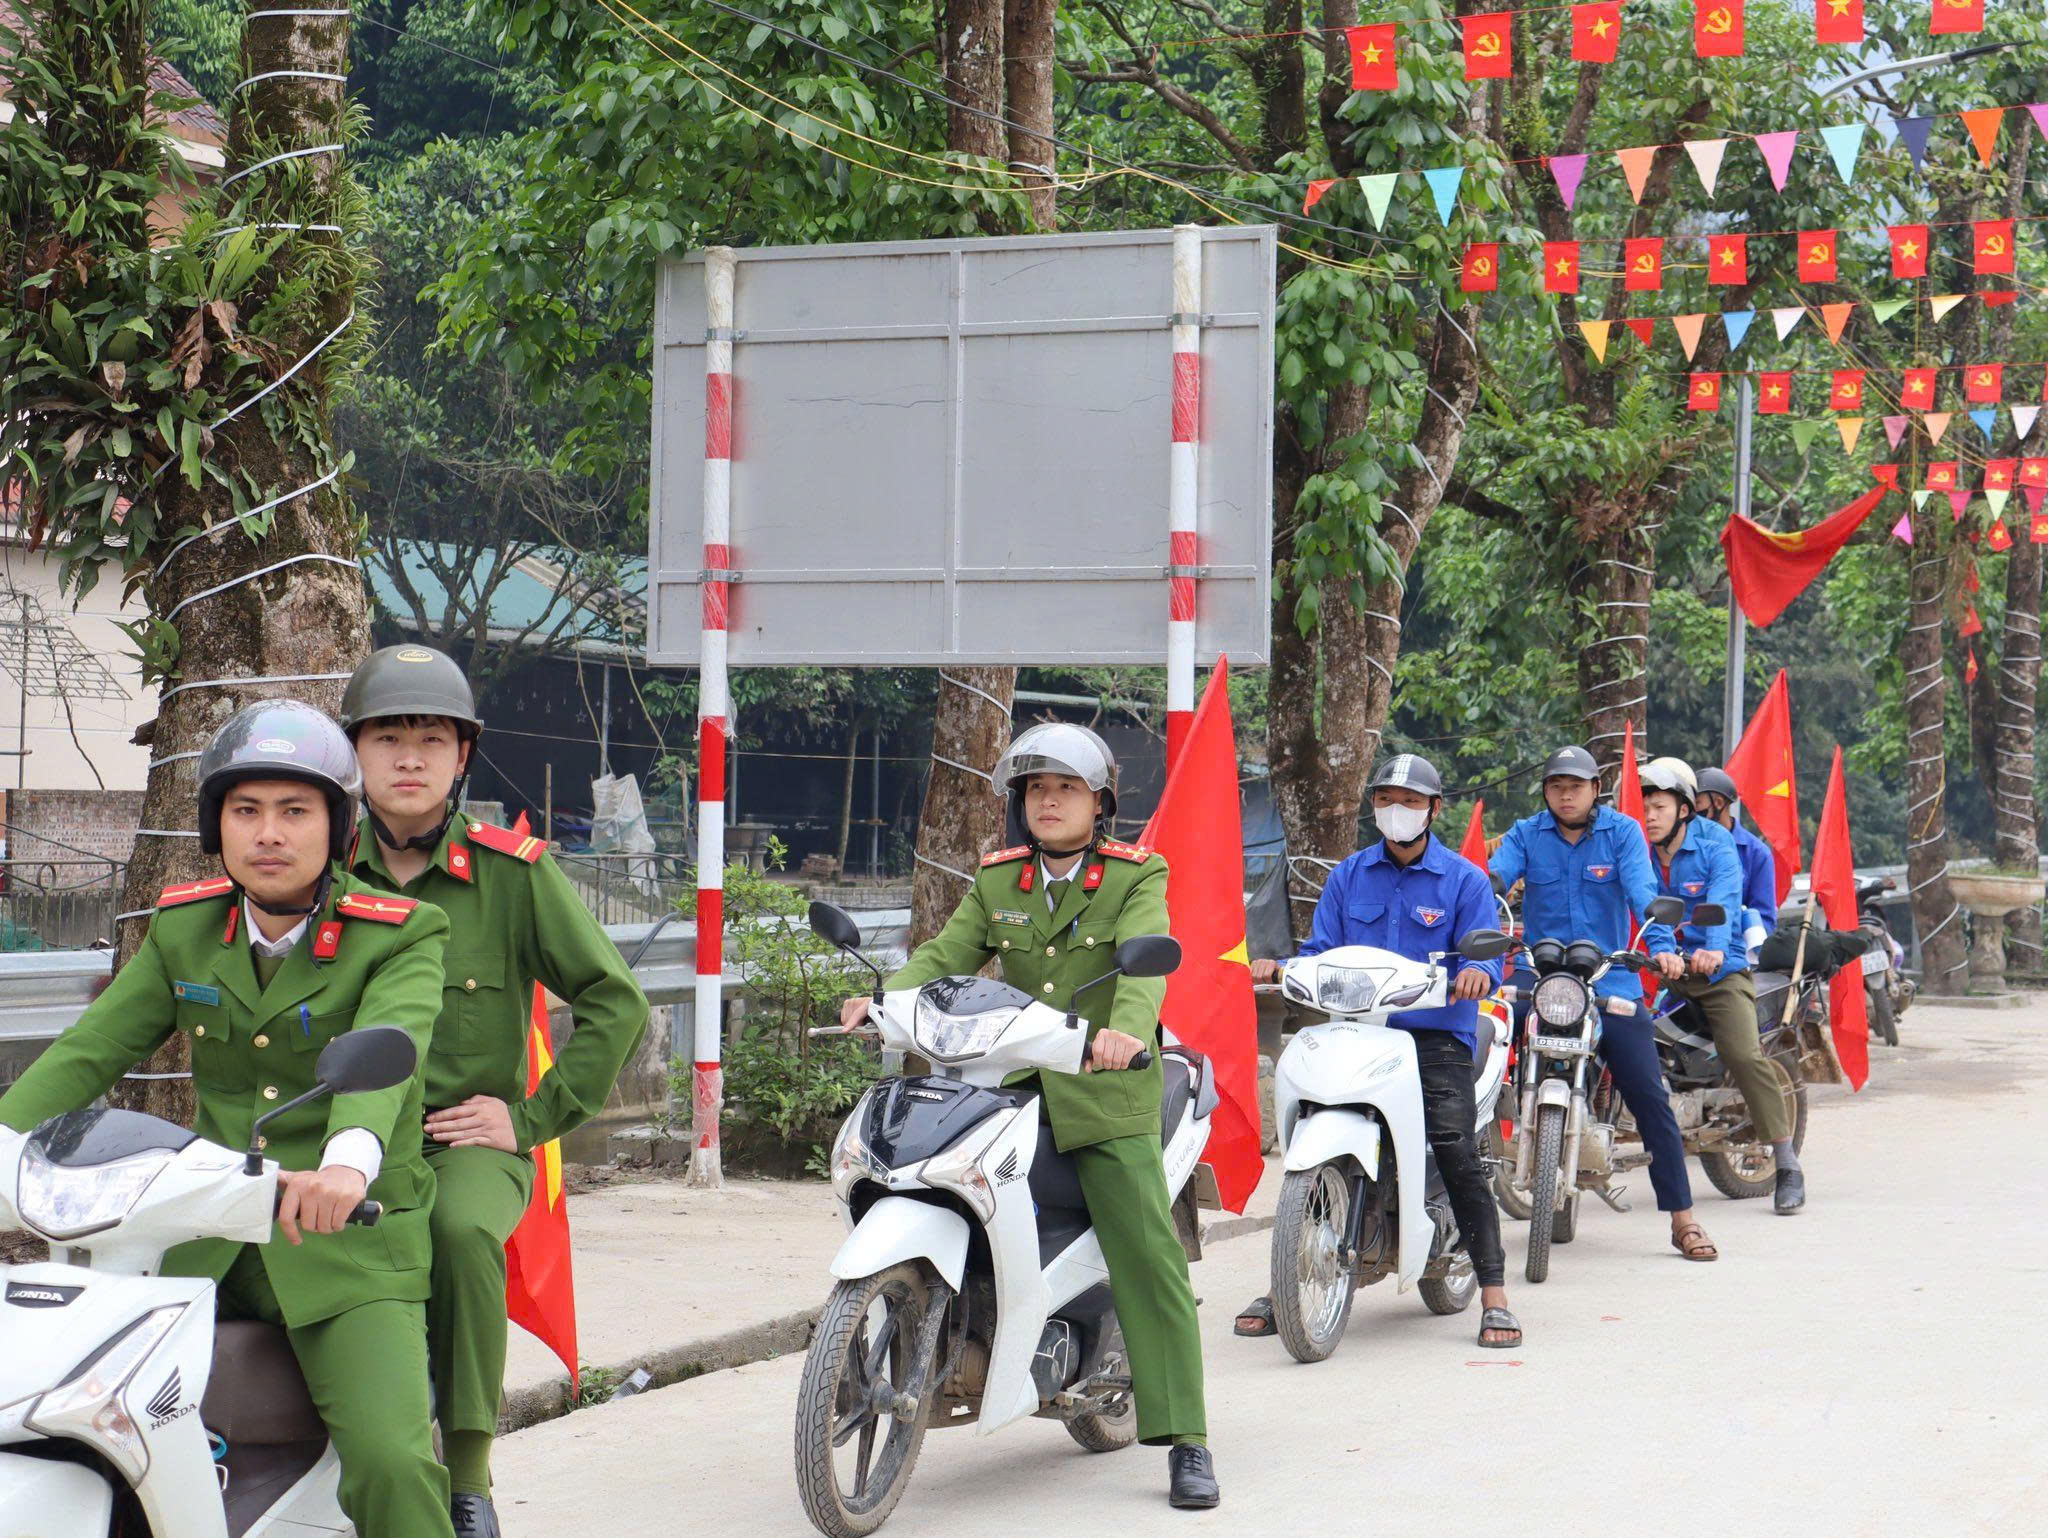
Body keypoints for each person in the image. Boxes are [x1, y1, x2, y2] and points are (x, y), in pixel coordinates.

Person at [0, 701, 457, 1538]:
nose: (269, 834)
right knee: (58, 1412)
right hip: (208, 1235)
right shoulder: (187, 927)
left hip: (343, 1242)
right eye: (246, 811)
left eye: (295, 811)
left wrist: (346, 1166)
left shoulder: (399, 935)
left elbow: (384, 1063)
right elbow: (90, 1052)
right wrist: (1, 1142)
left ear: (337, 825)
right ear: (219, 824)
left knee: (391, 1464)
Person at [838, 723, 1217, 1509]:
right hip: (1006, 1085)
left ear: (1099, 802)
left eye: (1066, 789)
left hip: (1103, 1093)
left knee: (1145, 1253)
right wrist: (884, 1001)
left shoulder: (1134, 876)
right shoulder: (998, 880)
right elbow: (945, 957)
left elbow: (1147, 961)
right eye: (1035, 790)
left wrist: (1123, 1032)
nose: (1048, 802)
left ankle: (1186, 1438)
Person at [340, 644, 650, 1538]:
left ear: (462, 756)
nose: (408, 758)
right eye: (388, 736)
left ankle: (468, 1475)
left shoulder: (513, 874)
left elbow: (614, 1002)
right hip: (344, 1139)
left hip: (465, 1142)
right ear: (356, 751)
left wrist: (528, 1120)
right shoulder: (324, 870)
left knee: (460, 1232)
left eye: (431, 739)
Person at [1241, 752, 1520, 1348]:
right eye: (1388, 801)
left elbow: (1487, 958)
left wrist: (1477, 972)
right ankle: (1285, 1279)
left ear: (1433, 810)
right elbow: (1319, 950)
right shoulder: (1348, 876)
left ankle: (1494, 1293)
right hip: (1359, 1030)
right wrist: (1278, 966)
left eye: (1412, 802)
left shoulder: (1465, 880)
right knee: (1310, 1115)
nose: (1398, 812)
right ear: (1374, 808)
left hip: (1434, 1035)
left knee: (1452, 1142)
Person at [1488, 745, 1721, 1262]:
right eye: (1555, 786)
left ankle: (1683, 1219)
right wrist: (1483, 893)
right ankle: (1453, 1211)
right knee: (1478, 1053)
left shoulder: (1623, 833)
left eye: (1575, 785)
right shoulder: (1526, 833)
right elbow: (1496, 879)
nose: (1565, 794)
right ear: (1546, 792)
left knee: (1647, 1090)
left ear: (1597, 789)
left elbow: (1645, 898)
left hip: (1609, 977)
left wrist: (1663, 954)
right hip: (1540, 974)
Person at [1640, 757, 1805, 1215]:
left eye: (1658, 807)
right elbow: (1644, 904)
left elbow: (1725, 900)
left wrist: (1711, 948)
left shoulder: (1717, 844)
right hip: (1666, 970)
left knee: (1743, 1054)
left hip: (1719, 972)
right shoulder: (1640, 849)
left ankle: (1788, 1164)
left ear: (1684, 809)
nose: (1650, 816)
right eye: (1646, 807)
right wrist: (1659, 949)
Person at [1695, 766, 1778, 965]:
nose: (1691, 811)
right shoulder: (1688, 846)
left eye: (1697, 803)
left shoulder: (1757, 853)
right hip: (1689, 953)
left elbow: (1764, 918)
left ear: (1719, 803)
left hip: (1736, 958)